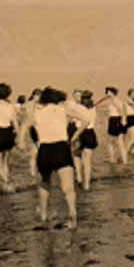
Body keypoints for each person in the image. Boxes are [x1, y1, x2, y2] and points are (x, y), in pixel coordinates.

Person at [32, 86, 90, 229]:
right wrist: (74, 137)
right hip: (61, 147)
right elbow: (86, 120)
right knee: (68, 188)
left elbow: (26, 127)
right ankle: (72, 216)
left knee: (45, 183)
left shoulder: (36, 112)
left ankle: (44, 216)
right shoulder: (64, 110)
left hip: (44, 148)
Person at [72, 90, 98, 190]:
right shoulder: (93, 108)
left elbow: (74, 120)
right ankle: (87, 185)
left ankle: (79, 178)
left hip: (79, 132)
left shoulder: (78, 108)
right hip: (90, 133)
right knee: (87, 162)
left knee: (76, 155)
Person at [19, 88, 42, 183]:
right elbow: (26, 121)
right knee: (36, 154)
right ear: (34, 95)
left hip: (36, 129)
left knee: (35, 154)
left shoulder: (36, 105)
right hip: (35, 129)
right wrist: (21, 139)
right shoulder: (29, 105)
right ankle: (35, 175)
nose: (39, 97)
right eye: (38, 95)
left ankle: (34, 175)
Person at [105, 87, 128, 164]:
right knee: (119, 142)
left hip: (115, 120)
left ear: (112, 92)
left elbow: (122, 110)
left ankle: (113, 160)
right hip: (116, 120)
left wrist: (123, 120)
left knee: (111, 142)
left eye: (107, 92)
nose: (106, 93)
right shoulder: (114, 100)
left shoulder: (115, 100)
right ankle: (124, 161)